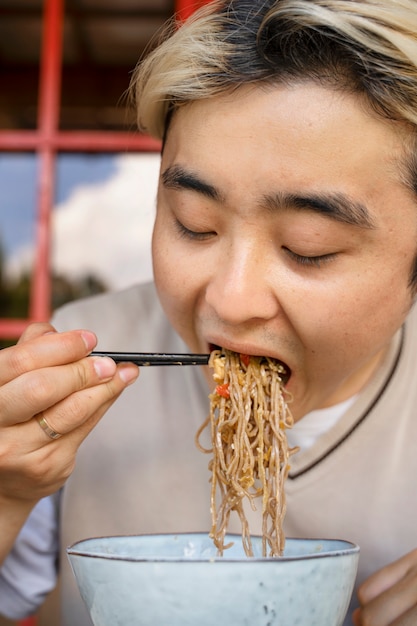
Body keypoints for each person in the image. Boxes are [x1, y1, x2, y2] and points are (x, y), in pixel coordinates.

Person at [1, 0, 417, 623]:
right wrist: (8, 492)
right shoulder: (88, 349)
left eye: (309, 248)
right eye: (194, 226)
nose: (229, 299)